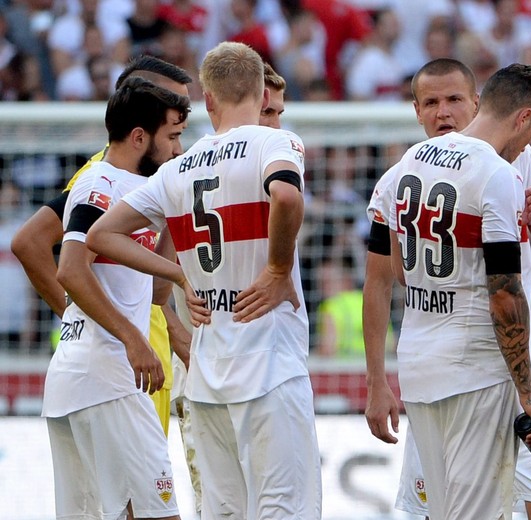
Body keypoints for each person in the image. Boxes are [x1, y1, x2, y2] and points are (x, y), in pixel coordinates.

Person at [87, 41, 321, 518]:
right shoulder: (277, 142)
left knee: (224, 511)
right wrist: (277, 270)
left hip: (209, 375)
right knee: (284, 508)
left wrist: (179, 275)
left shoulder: (177, 168)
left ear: (208, 102)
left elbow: (101, 234)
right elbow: (288, 198)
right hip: (269, 366)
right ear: (260, 95)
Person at [364, 58, 531, 519]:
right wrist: (529, 394)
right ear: (524, 118)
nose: (443, 112)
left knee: (464, 510)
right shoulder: (496, 174)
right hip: (482, 365)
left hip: (426, 366)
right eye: (432, 102)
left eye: (454, 99)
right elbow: (503, 291)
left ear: (478, 102)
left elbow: (402, 272)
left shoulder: (403, 169)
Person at [12, 54, 193, 435]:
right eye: (172, 123)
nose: (180, 138)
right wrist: (80, 316)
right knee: (141, 491)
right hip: (122, 359)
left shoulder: (152, 177)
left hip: (142, 351)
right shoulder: (103, 176)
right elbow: (31, 243)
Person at [43, 77, 190, 520]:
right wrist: (132, 338)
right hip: (106, 377)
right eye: (172, 137)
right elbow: (70, 268)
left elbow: (157, 292)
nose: (178, 149)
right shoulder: (100, 186)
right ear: (140, 136)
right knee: (159, 515)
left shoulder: (137, 191)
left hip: (86, 380)